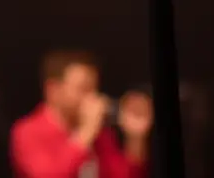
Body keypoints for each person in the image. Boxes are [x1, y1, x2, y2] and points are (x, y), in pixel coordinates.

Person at [10, 50, 153, 178]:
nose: (92, 97)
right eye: (83, 89)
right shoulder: (27, 131)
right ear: (52, 90)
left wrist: (135, 138)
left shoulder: (99, 133)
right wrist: (86, 132)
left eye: (94, 89)